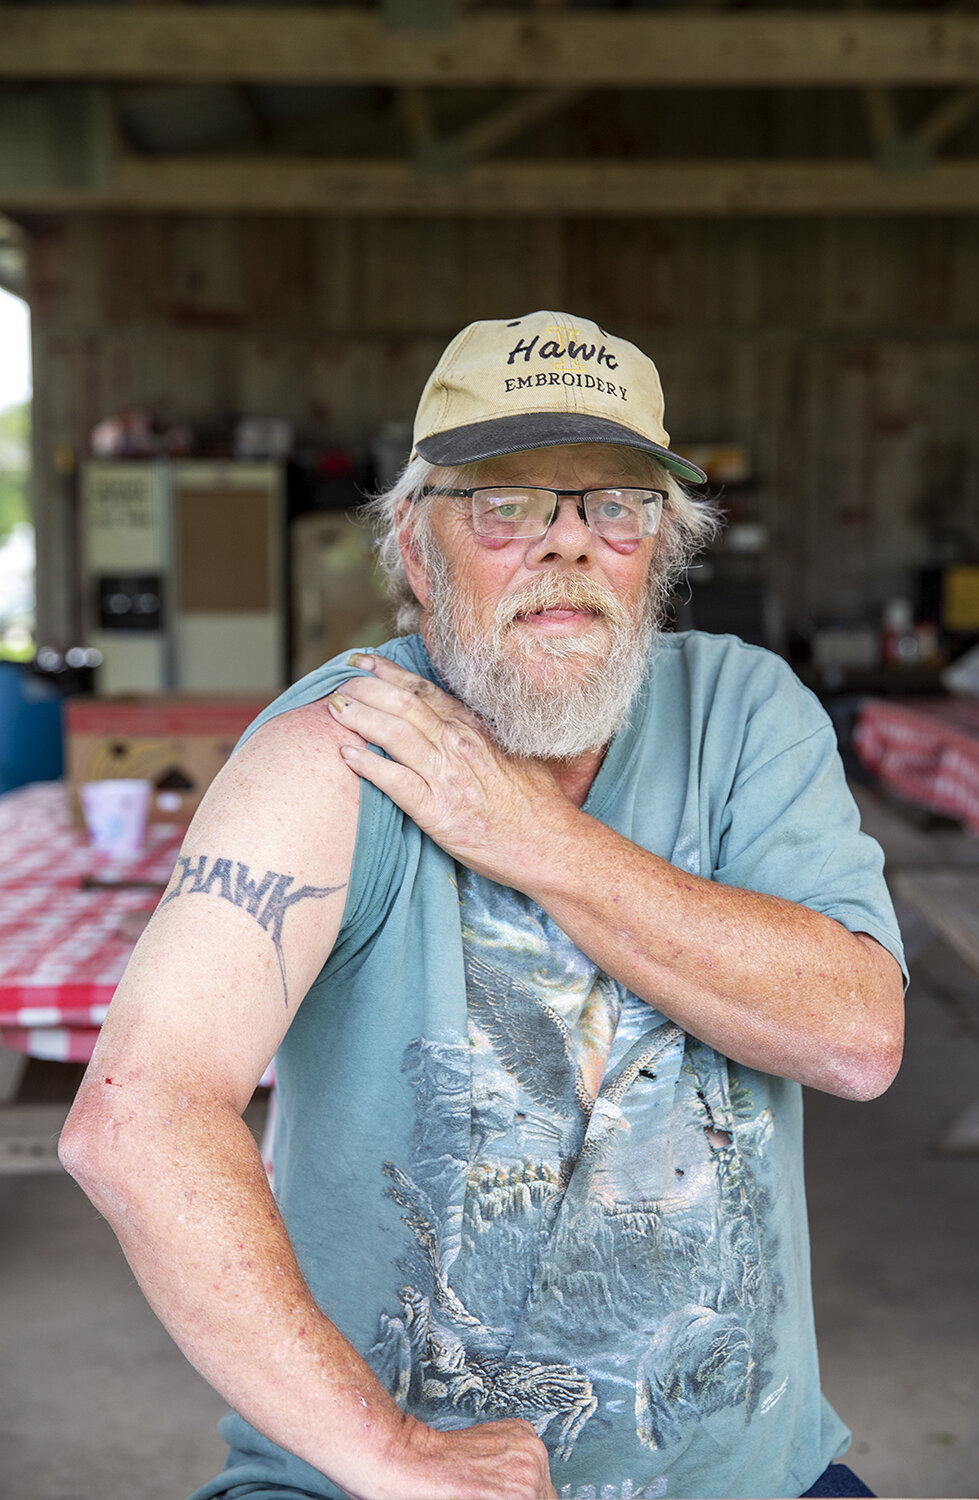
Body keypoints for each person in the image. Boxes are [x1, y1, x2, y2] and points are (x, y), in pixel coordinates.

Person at [60, 311, 906, 1500]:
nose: (566, 545)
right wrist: (393, 1456)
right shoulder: (335, 750)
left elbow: (857, 1039)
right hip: (364, 1482)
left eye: (614, 504)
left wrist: (529, 836)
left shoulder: (744, 711)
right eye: (504, 505)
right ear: (415, 547)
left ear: (659, 549)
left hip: (747, 1477)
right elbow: (136, 1122)